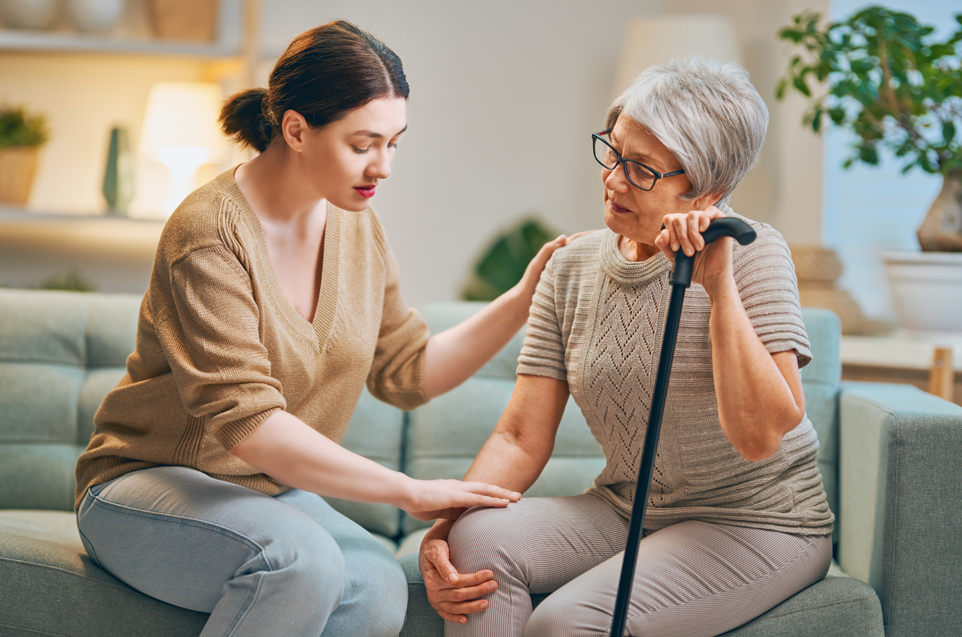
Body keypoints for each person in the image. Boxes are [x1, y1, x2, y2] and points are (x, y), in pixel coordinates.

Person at [74, 20, 572, 637]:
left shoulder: (356, 225)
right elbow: (247, 424)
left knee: (375, 584)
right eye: (363, 144)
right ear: (296, 130)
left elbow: (407, 370)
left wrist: (523, 300)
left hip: (265, 496)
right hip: (144, 485)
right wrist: (407, 491)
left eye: (394, 143)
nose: (383, 166)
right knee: (298, 564)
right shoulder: (208, 234)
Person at [420, 56, 835, 637]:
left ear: (707, 191)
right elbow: (519, 435)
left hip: (755, 524)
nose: (613, 179)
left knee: (566, 622)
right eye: (613, 153)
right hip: (626, 508)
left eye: (641, 169)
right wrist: (445, 533)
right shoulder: (570, 268)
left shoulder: (755, 252)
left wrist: (718, 286)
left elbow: (760, 436)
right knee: (479, 539)